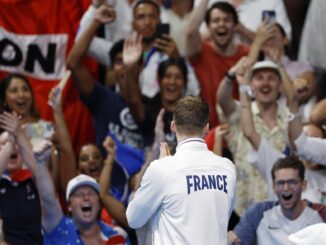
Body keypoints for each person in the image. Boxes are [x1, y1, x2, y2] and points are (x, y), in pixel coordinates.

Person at [126, 96, 237, 244]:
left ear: (173, 126)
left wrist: (162, 167)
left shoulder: (161, 169)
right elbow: (220, 217)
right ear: (206, 128)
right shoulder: (228, 168)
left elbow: (133, 219)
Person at [218, 58, 290, 215]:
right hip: (242, 211)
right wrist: (232, 75)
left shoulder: (290, 120)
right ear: (250, 85)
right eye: (259, 78)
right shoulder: (240, 112)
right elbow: (222, 99)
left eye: (271, 78)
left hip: (281, 211)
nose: (265, 83)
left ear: (279, 86)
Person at [33, 140, 129, 244]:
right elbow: (48, 200)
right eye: (79, 194)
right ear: (69, 206)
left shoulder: (117, 235)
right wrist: (41, 162)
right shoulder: (58, 228)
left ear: (99, 204)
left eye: (91, 193)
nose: (86, 197)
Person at [228, 156, 326, 245]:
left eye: (292, 182)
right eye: (280, 183)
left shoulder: (322, 213)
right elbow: (235, 241)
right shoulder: (259, 213)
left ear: (303, 185)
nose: (286, 188)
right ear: (274, 187)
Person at [185, 0, 250, 128]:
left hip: (240, 134)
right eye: (216, 21)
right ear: (208, 27)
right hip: (207, 133)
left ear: (235, 25)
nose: (221, 24)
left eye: (227, 20)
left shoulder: (246, 54)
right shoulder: (201, 52)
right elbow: (191, 32)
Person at [0, 112, 42, 244]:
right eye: (4, 143)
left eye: (16, 144)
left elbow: (41, 174)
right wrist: (11, 142)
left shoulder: (31, 180)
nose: (13, 147)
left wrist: (20, 136)